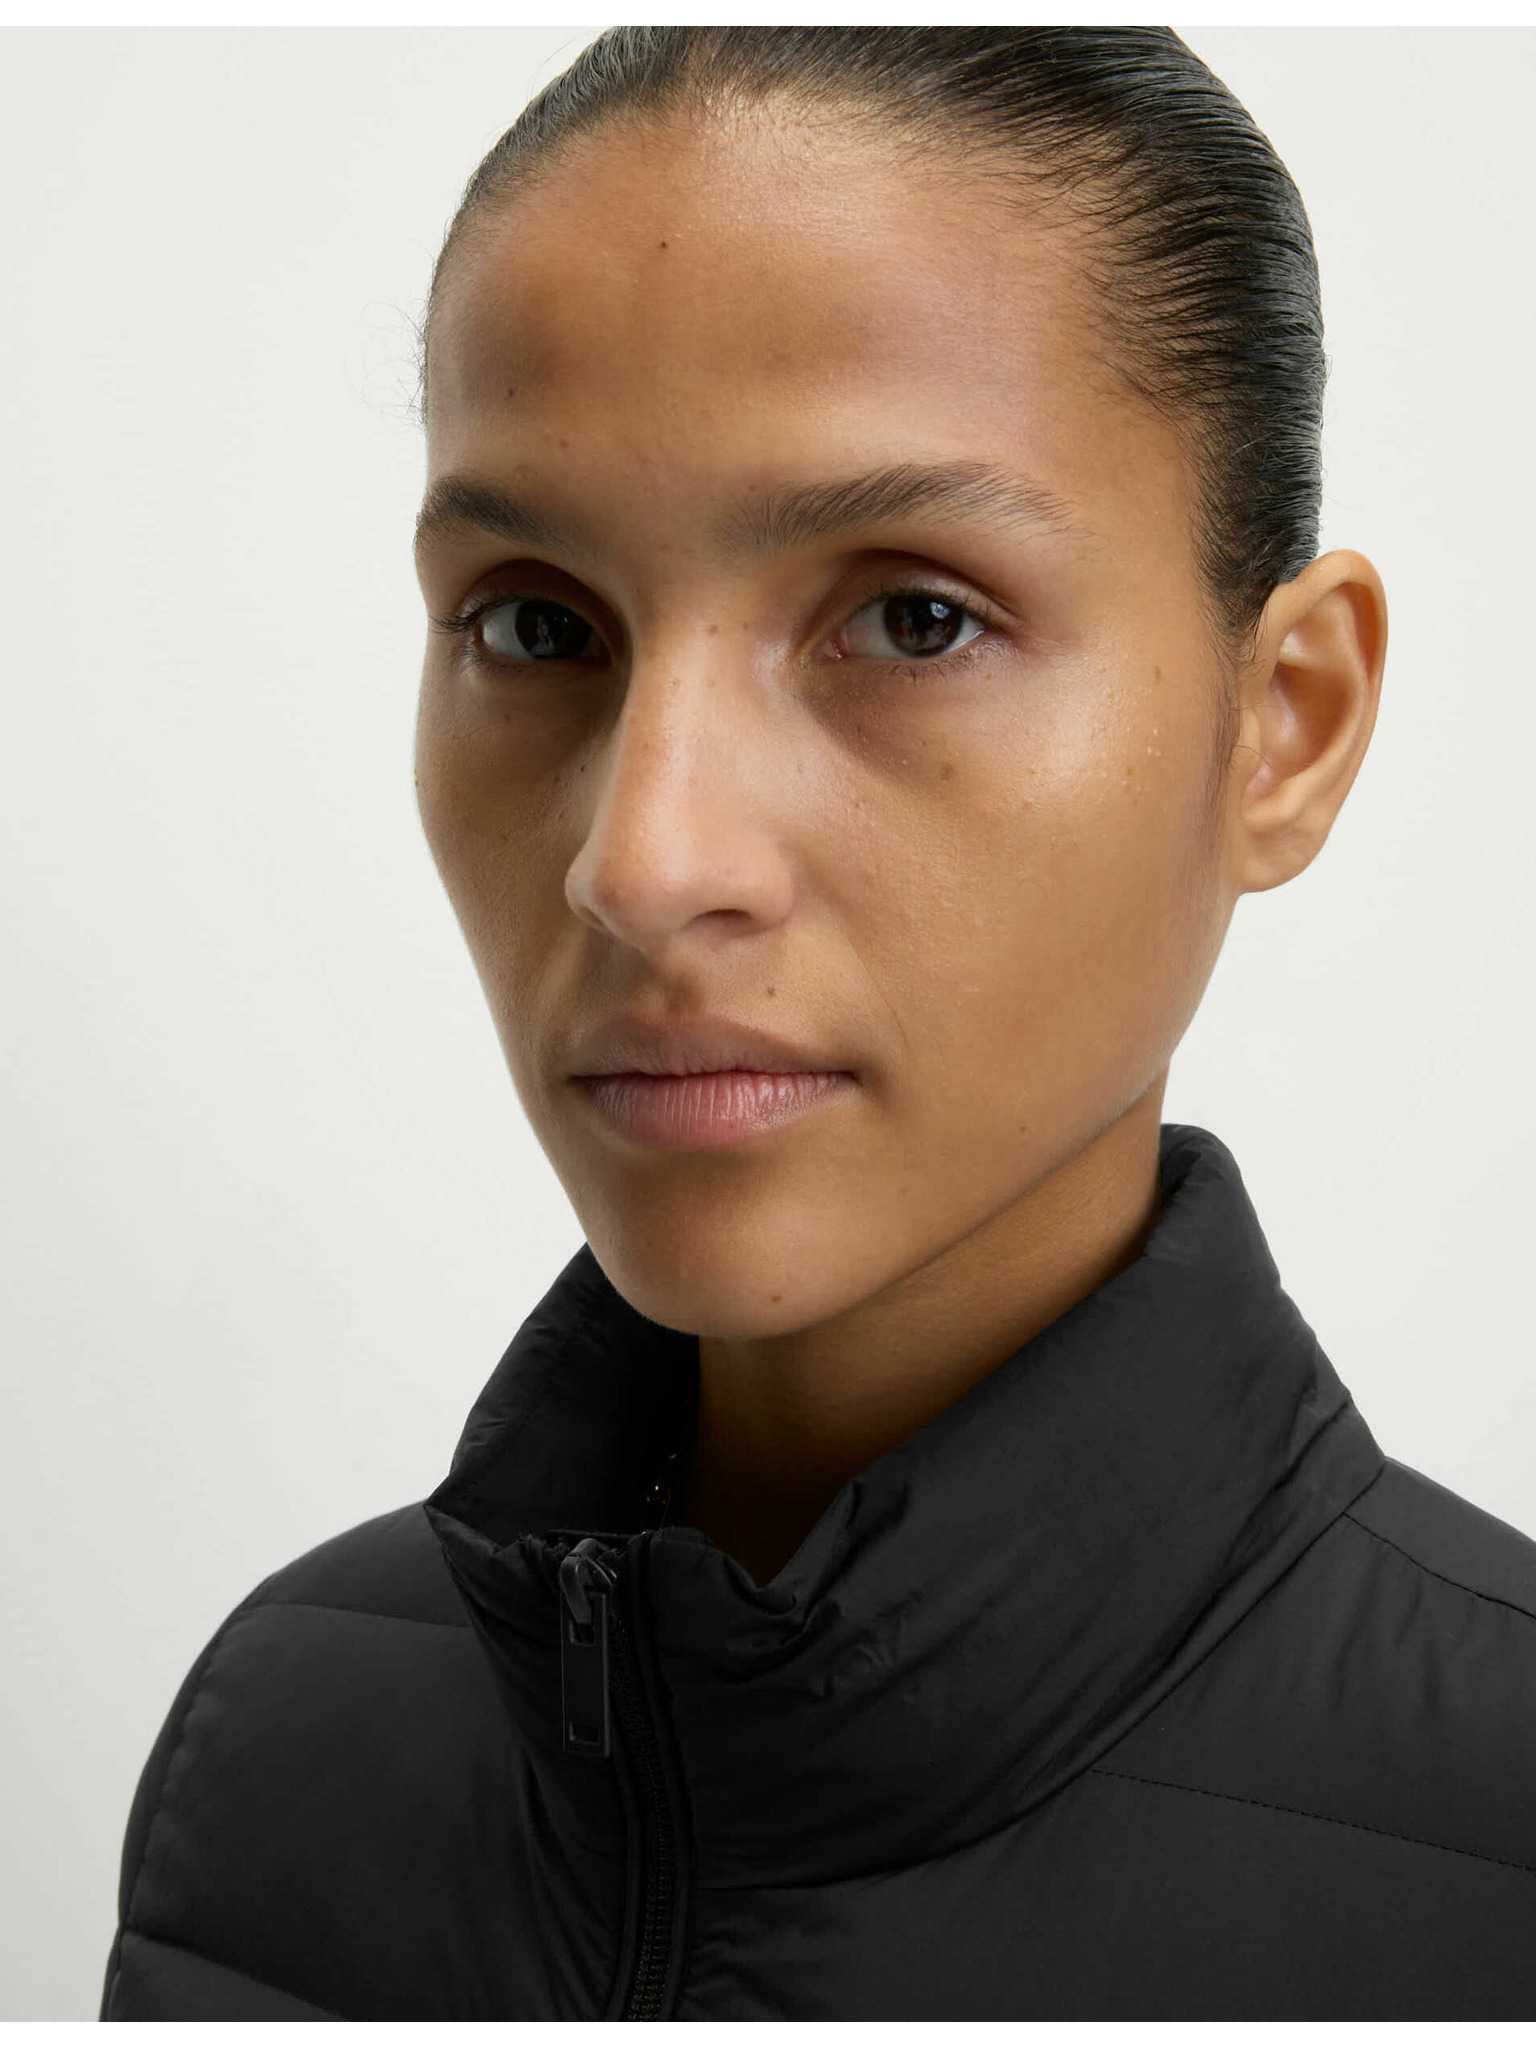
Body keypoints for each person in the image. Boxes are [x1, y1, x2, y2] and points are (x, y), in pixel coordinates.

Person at [99, 27, 1536, 2021]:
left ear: (1283, 726)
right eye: (536, 622)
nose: (642, 857)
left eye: (916, 617)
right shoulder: (285, 1741)